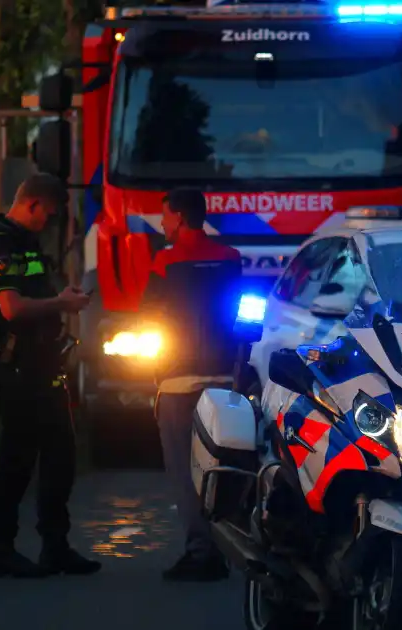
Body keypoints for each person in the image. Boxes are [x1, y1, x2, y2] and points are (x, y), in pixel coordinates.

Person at [0, 174, 102, 578]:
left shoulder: (26, 244)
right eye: (48, 213)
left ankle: (55, 546)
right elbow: (11, 308)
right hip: (19, 368)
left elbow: (36, 296)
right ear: (31, 204)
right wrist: (60, 304)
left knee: (60, 458)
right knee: (16, 461)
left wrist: (63, 299)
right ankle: (0, 549)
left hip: (44, 366)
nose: (49, 221)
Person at [142, 188, 242, 581]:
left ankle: (200, 552)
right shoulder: (231, 258)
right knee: (221, 467)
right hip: (223, 379)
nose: (163, 223)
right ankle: (223, 545)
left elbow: (148, 314)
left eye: (165, 216)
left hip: (178, 381)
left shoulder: (165, 261)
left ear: (180, 218)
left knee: (185, 471)